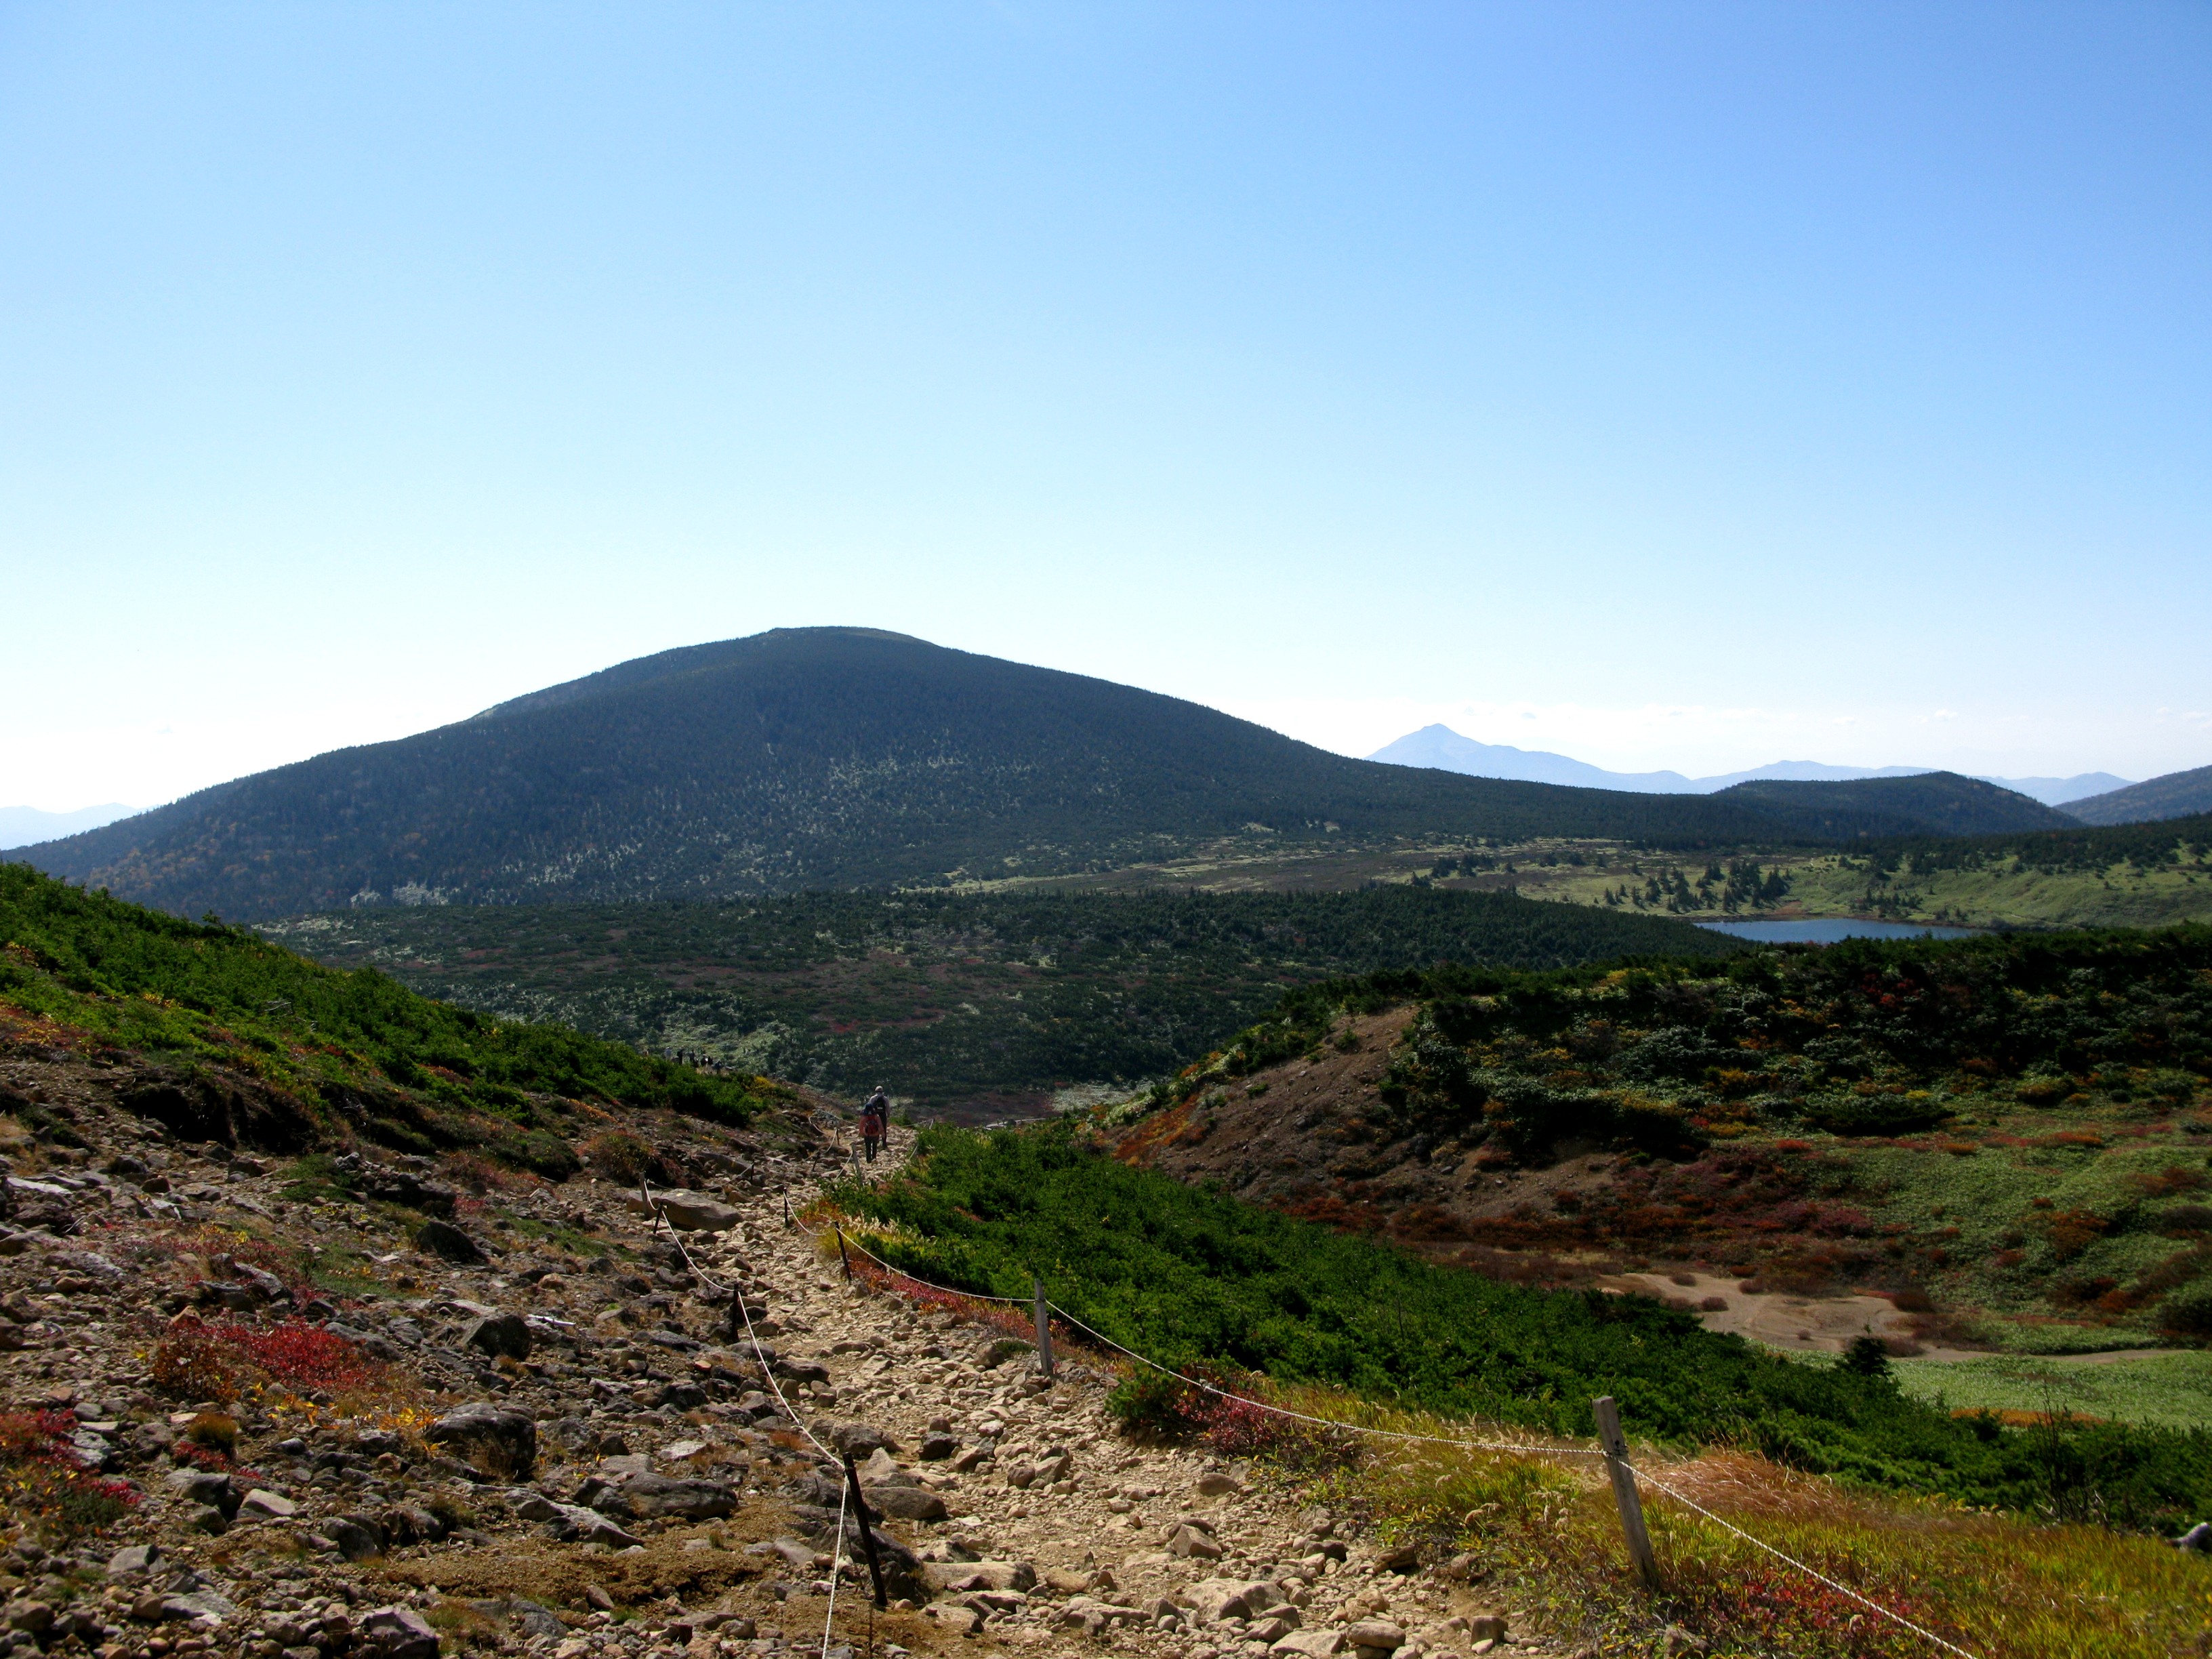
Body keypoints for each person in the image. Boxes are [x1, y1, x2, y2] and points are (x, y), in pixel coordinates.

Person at [860, 1086, 890, 1164]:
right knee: (882, 1128)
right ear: (882, 1091)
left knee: (868, 1143)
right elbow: (888, 1108)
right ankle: (884, 1144)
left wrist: (861, 1131)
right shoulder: (885, 1098)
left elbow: (869, 1107)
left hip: (872, 1119)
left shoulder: (873, 1098)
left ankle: (868, 1159)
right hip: (883, 1115)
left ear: (876, 1091)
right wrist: (888, 1115)